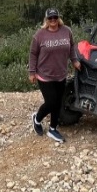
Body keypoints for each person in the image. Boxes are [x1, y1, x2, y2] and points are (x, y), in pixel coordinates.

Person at [28, 7, 81, 143]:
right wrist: (32, 72)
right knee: (51, 102)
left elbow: (71, 47)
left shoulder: (66, 31)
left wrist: (74, 60)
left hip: (61, 74)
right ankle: (37, 119)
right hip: (44, 75)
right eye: (50, 18)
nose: (53, 20)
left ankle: (53, 129)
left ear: (58, 18)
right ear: (46, 20)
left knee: (58, 103)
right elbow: (33, 54)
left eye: (55, 17)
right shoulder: (39, 35)